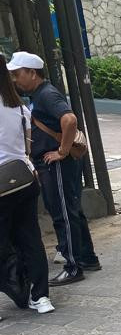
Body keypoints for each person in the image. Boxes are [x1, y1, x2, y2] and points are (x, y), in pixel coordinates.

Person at [7, 51, 100, 286]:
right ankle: (87, 257)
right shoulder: (40, 95)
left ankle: (73, 266)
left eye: (17, 74)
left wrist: (62, 151)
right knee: (71, 210)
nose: (15, 79)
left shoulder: (46, 94)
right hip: (56, 164)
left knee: (63, 214)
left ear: (32, 73)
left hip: (57, 165)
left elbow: (69, 120)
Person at [0, 54, 53, 314]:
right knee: (31, 238)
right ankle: (40, 297)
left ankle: (14, 287)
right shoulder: (21, 108)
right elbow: (26, 148)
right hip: (24, 180)